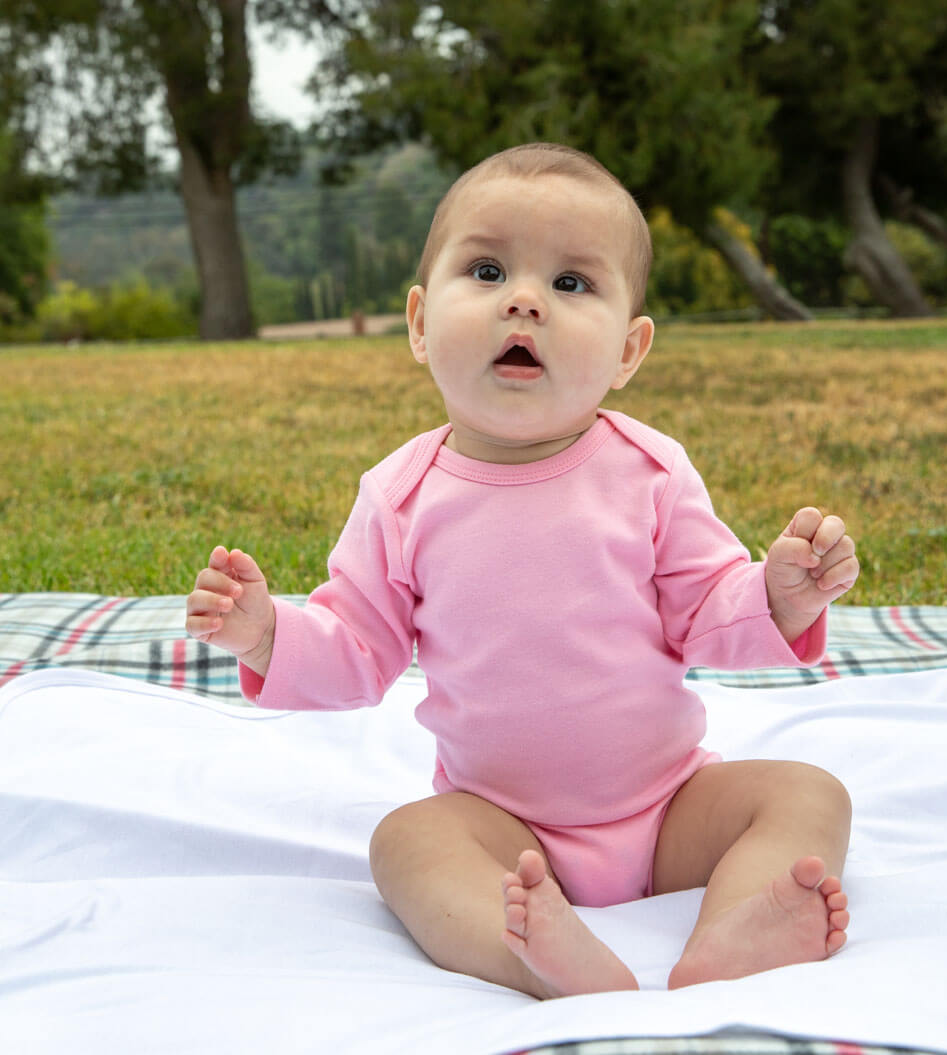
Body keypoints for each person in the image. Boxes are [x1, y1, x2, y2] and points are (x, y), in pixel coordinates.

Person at [186, 142, 857, 999]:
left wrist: (779, 593)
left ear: (628, 350)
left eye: (572, 284)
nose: (525, 301)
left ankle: (737, 927)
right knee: (404, 843)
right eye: (489, 269)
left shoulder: (649, 472)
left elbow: (707, 609)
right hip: (500, 826)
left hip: (667, 807)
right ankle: (536, 954)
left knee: (809, 792)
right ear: (421, 324)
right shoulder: (402, 495)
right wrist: (268, 631)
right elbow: (358, 642)